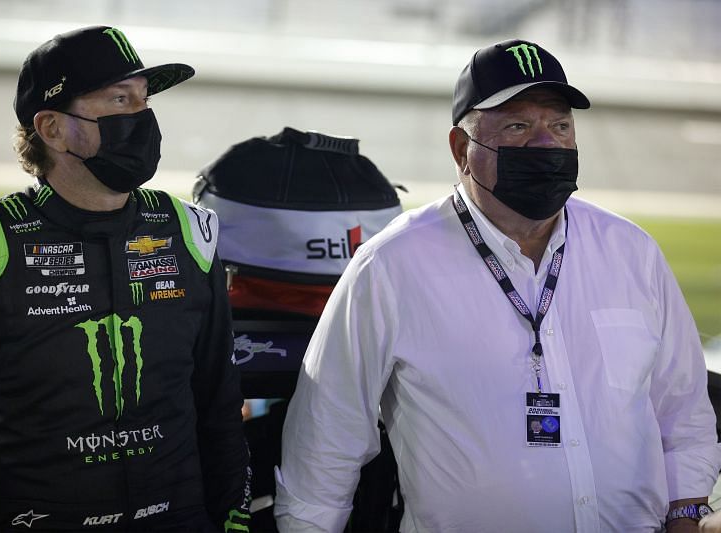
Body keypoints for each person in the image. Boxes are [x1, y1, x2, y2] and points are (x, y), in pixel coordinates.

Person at [273, 39, 721, 533]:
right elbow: (324, 444)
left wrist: (686, 513)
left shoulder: (632, 253)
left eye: (560, 125)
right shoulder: (390, 267)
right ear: (461, 149)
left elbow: (684, 412)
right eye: (518, 126)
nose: (546, 143)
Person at [0, 26, 250, 531]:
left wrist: (232, 514)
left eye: (144, 100)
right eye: (119, 99)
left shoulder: (191, 232)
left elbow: (219, 399)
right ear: (51, 129)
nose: (141, 118)